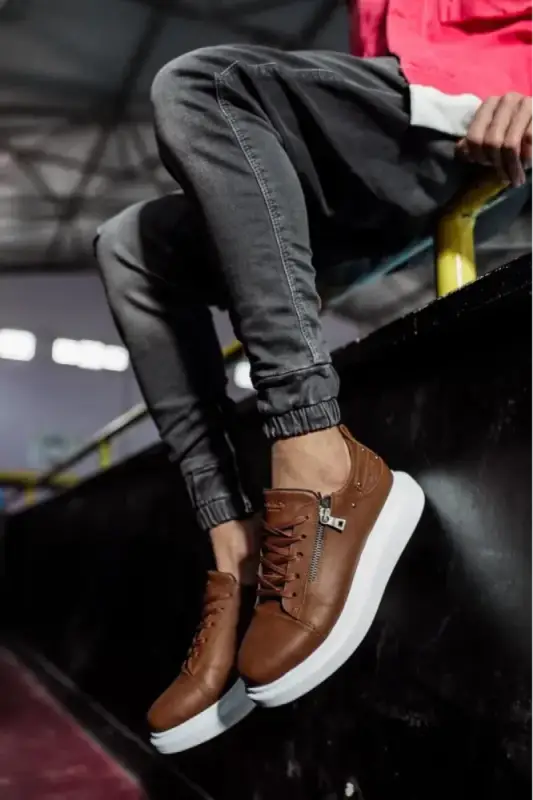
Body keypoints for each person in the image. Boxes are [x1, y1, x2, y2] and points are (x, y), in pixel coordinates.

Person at [95, 0, 533, 754]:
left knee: (204, 83)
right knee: (128, 246)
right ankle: (235, 550)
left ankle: (317, 454)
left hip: (485, 126)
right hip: (384, 149)